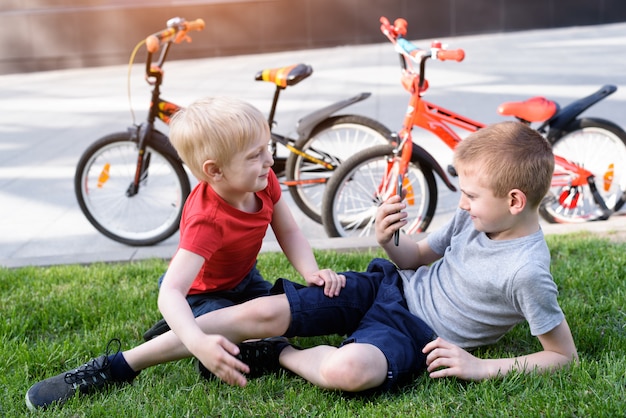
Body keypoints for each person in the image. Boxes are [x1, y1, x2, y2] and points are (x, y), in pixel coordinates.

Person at [26, 121, 578, 409]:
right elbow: (416, 258)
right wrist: (392, 244)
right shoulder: (474, 218)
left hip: (412, 332)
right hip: (383, 288)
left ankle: (278, 354)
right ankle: (115, 367)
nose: (461, 203)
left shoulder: (526, 271)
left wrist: (481, 367)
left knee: (346, 371)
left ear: (514, 202)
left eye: (471, 195)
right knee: (258, 310)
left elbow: (563, 356)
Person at [25, 96, 345, 410]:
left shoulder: (263, 181)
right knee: (226, 346)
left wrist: (310, 271)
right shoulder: (207, 219)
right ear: (215, 170)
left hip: (245, 281)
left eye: (267, 148)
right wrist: (197, 342)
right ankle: (178, 333)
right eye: (255, 154)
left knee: (285, 320)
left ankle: (180, 329)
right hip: (201, 293)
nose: (269, 160)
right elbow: (171, 291)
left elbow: (288, 230)